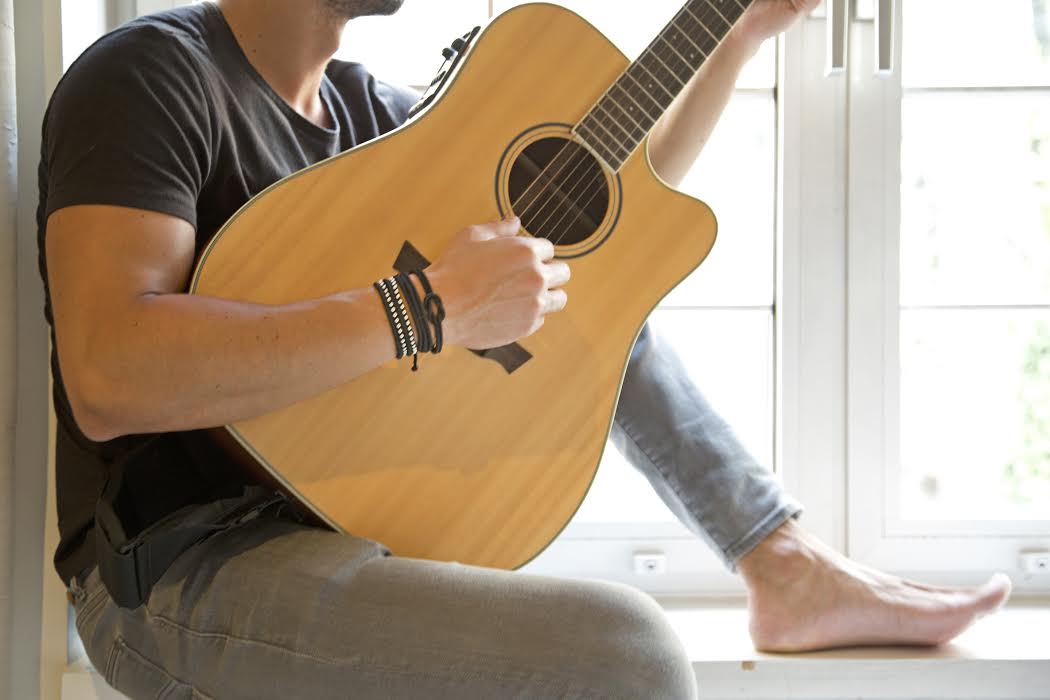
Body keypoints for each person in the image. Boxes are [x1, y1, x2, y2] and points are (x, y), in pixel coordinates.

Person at [39, 1, 1012, 698]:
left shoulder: (372, 114)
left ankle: (781, 559)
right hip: (181, 571)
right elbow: (111, 374)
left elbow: (612, 192)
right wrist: (425, 307)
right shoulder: (154, 74)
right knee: (625, 653)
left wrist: (738, 29)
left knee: (563, 278)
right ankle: (789, 566)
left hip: (362, 531)